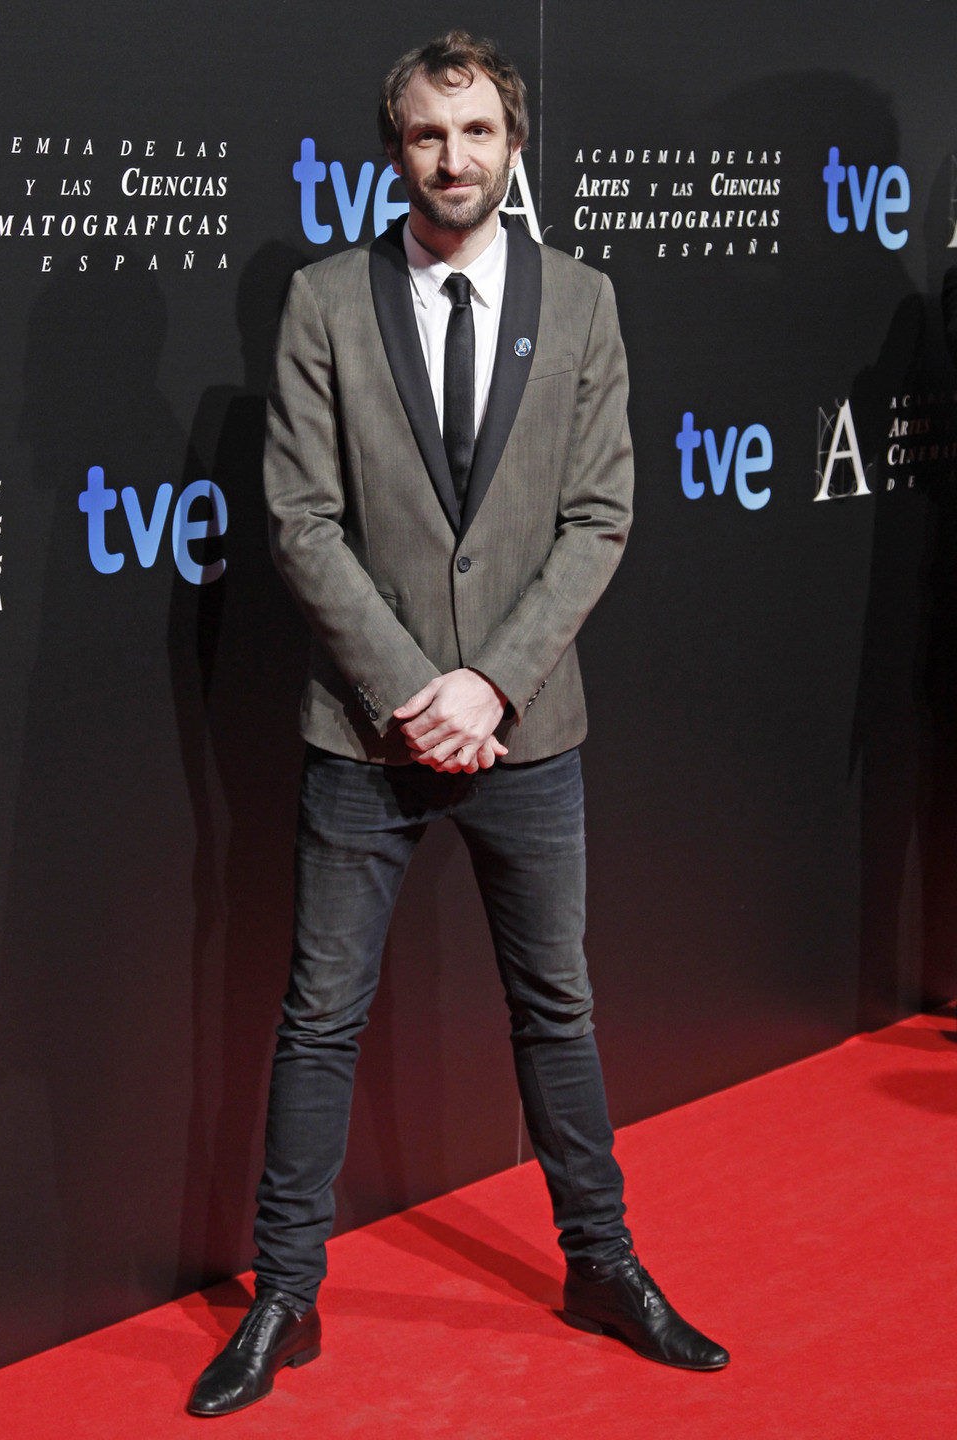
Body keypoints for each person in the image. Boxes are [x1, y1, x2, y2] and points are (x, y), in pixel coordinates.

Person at [187, 30, 728, 1418]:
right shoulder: (322, 303)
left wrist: (491, 684)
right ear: (396, 148)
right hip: (361, 736)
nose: (455, 158)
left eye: (478, 132)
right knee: (319, 1018)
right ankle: (286, 1298)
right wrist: (411, 692)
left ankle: (603, 1265)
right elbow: (301, 519)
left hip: (527, 730)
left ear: (514, 144)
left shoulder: (587, 303)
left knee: (558, 1009)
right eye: (430, 135)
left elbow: (599, 515)